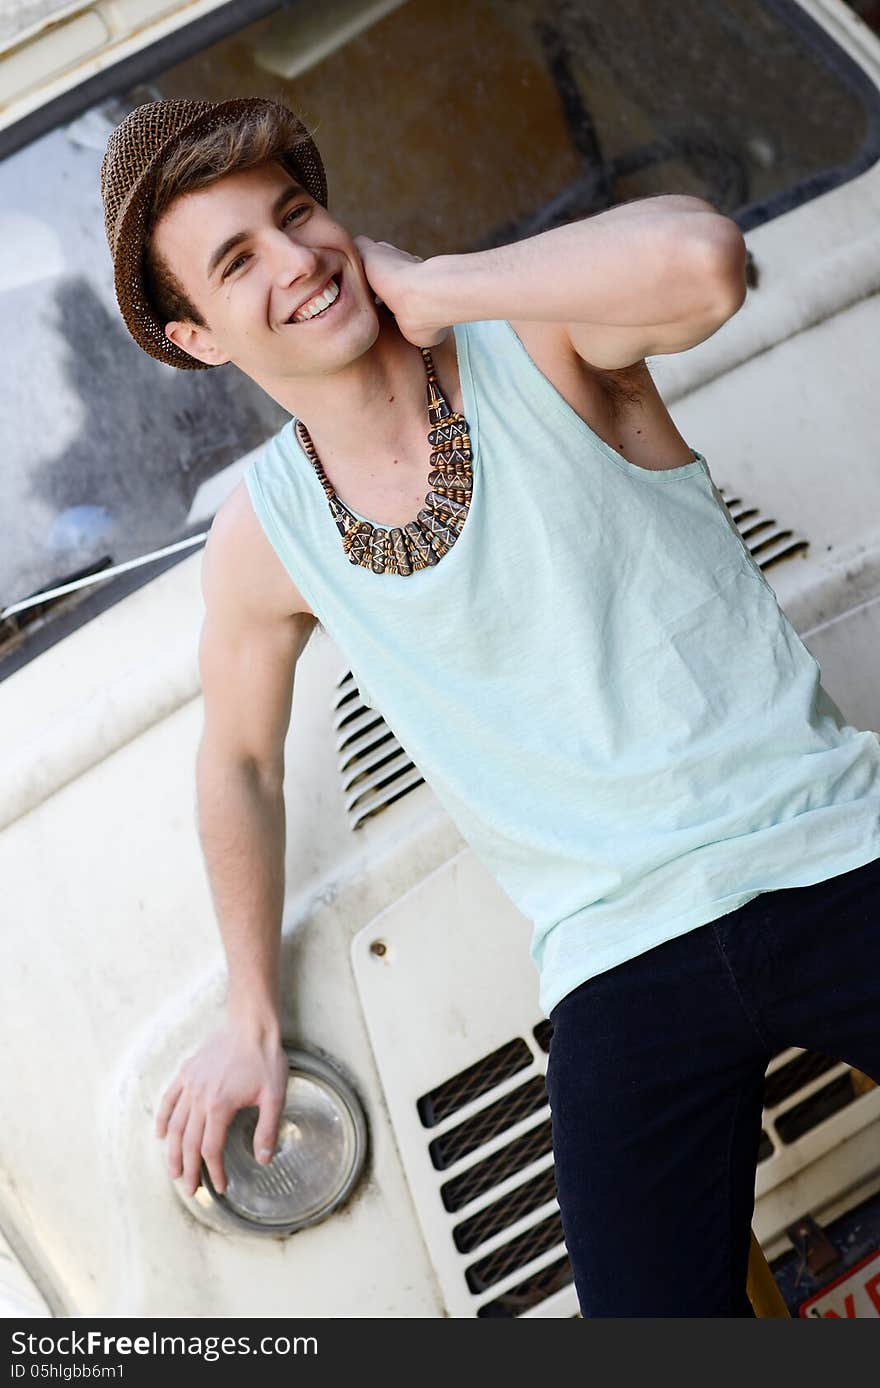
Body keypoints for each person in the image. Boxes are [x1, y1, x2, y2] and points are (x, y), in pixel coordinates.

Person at [100, 96, 880, 1317]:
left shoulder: (539, 337)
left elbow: (707, 263)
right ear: (196, 337)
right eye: (238, 259)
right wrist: (248, 1006)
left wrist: (445, 285)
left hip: (830, 850)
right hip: (618, 958)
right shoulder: (265, 533)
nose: (297, 260)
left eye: (296, 215)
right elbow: (239, 759)